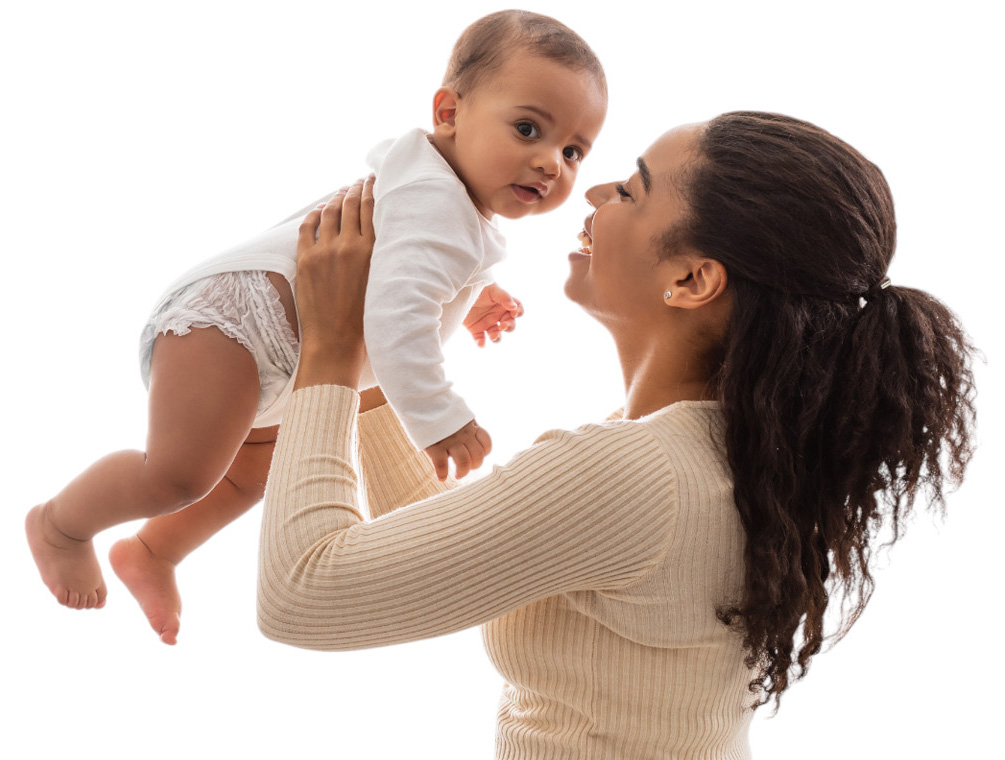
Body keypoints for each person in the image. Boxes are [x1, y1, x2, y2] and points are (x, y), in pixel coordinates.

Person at [257, 112, 977, 758]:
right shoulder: (715, 454)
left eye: (631, 190)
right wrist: (372, 376)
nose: (595, 192)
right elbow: (449, 557)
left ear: (692, 279)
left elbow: (302, 596)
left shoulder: (635, 471)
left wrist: (329, 348)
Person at [24, 9, 608, 645]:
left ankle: (154, 552)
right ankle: (60, 525)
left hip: (279, 348)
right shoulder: (439, 202)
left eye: (572, 150)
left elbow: (403, 268)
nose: (552, 163)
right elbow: (395, 316)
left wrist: (466, 292)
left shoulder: (445, 191)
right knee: (178, 474)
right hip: (235, 326)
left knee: (251, 472)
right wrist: (440, 417)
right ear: (449, 112)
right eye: (528, 129)